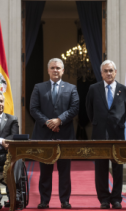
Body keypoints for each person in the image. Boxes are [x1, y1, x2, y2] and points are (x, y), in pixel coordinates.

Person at [30, 58, 79, 209]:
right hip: (44, 135)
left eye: (58, 68)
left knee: (64, 171)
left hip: (64, 135)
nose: (55, 70)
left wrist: (59, 120)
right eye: (52, 68)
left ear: (63, 70)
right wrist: (48, 123)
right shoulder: (39, 87)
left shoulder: (71, 88)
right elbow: (33, 108)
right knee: (45, 171)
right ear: (48, 70)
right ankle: (44, 200)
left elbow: (74, 108)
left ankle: (65, 200)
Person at [86, 60, 126, 209]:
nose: (109, 73)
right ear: (101, 73)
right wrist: (100, 123)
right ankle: (104, 199)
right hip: (99, 134)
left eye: (111, 70)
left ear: (115, 72)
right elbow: (89, 110)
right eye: (106, 71)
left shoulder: (124, 90)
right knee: (101, 168)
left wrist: (116, 123)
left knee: (118, 167)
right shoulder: (94, 89)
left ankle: (116, 198)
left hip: (117, 134)